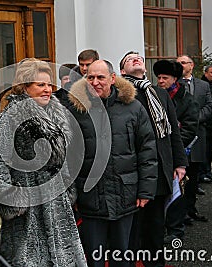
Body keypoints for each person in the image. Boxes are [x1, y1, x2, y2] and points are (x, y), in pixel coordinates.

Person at [0, 59, 87, 266]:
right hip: (28, 204)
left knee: (63, 258)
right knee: (29, 258)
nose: (47, 90)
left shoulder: (55, 112)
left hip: (57, 199)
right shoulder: (11, 116)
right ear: (25, 87)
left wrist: (68, 190)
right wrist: (13, 201)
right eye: (40, 85)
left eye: (49, 85)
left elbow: (63, 158)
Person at [65, 60, 157, 267]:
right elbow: (69, 157)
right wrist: (72, 194)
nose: (95, 82)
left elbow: (147, 150)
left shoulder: (133, 107)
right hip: (90, 197)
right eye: (90, 77)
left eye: (100, 77)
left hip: (126, 195)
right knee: (94, 258)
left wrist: (146, 190)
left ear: (113, 79)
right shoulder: (75, 110)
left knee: (123, 257)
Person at [120, 51, 187, 267]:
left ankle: (155, 263)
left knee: (156, 225)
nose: (136, 59)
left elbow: (173, 133)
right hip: (134, 169)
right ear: (122, 71)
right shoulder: (121, 94)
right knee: (135, 225)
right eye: (130, 59)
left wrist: (179, 163)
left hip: (159, 167)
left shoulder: (159, 93)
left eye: (138, 57)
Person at [152, 59, 199, 243]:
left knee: (177, 193)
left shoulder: (187, 99)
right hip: (159, 154)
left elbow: (189, 128)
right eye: (159, 78)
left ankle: (176, 229)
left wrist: (173, 146)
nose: (161, 81)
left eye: (165, 78)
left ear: (174, 79)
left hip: (177, 153)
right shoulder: (155, 97)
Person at [177, 55, 212, 223]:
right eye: (178, 63)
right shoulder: (173, 85)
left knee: (194, 176)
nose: (180, 65)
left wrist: (193, 119)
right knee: (179, 178)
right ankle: (179, 214)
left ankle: (191, 209)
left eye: (183, 62)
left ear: (191, 66)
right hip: (180, 136)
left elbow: (209, 106)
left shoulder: (203, 85)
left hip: (198, 136)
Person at [200, 64, 212, 183]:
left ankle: (208, 173)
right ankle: (202, 174)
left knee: (210, 152)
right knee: (204, 152)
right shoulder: (202, 86)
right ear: (206, 73)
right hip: (205, 125)